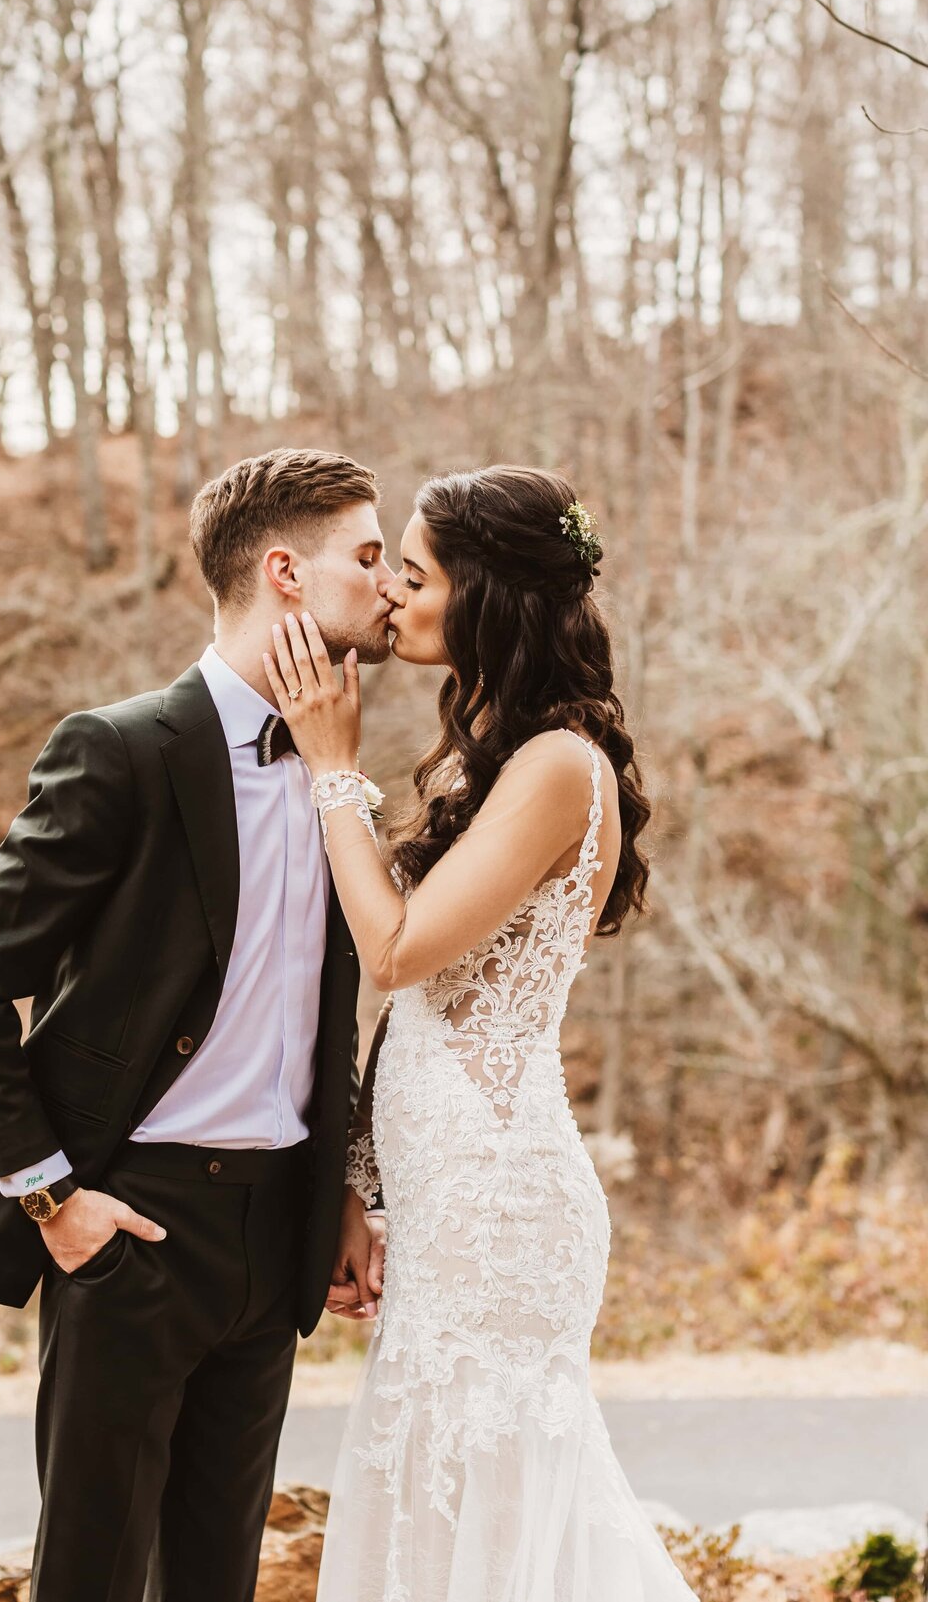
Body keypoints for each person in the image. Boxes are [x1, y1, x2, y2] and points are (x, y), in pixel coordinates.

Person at [0, 447, 393, 1602]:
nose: (393, 583)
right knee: (90, 1575)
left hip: (277, 1223)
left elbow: (318, 1003)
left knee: (216, 1580)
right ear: (286, 572)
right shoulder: (121, 750)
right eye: (368, 557)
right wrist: (53, 1199)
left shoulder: (341, 768)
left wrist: (337, 1185)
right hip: (133, 1221)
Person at [265, 466, 699, 1601]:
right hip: (443, 1193)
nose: (393, 597)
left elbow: (400, 952)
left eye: (414, 574)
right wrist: (362, 1184)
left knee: (497, 1528)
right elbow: (423, 1014)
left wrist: (332, 774)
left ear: (487, 596)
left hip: (502, 1207)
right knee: (432, 1514)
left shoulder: (559, 765)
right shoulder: (488, 759)